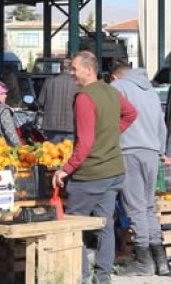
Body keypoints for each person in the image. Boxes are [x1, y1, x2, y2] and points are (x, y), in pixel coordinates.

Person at [52, 51, 137, 284]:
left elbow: (86, 143)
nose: (71, 73)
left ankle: (79, 276)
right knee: (104, 224)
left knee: (73, 225)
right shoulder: (111, 91)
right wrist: (109, 135)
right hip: (113, 171)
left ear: (88, 70)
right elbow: (131, 114)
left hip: (91, 174)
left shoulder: (84, 98)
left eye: (74, 69)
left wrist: (65, 169)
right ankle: (103, 277)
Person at [109, 60, 171, 277]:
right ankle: (160, 259)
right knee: (147, 207)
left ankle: (143, 261)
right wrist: (160, 150)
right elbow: (161, 124)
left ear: (115, 76)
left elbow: (108, 121)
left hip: (129, 151)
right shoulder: (151, 91)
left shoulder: (117, 88)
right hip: (152, 152)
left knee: (135, 207)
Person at [36, 58, 79, 142]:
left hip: (51, 126)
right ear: (72, 69)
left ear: (60, 68)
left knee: (52, 154)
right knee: (69, 153)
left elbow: (40, 102)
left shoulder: (49, 81)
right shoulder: (76, 84)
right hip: (70, 126)